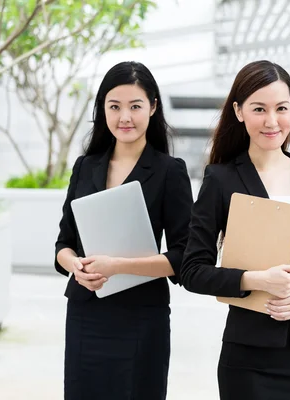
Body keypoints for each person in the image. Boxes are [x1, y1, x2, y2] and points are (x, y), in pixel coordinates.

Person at [180, 60, 290, 400]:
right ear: (239, 111)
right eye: (259, 109)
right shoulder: (220, 180)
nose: (272, 121)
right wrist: (255, 280)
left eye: (282, 108)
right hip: (248, 356)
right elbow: (192, 271)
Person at [54, 61, 193, 400]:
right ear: (102, 109)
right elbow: (63, 244)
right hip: (87, 312)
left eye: (135, 106)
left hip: (142, 317)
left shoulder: (169, 171)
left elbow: (183, 257)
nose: (124, 117)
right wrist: (76, 266)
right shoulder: (85, 166)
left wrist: (117, 266)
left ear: (153, 107)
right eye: (114, 107)